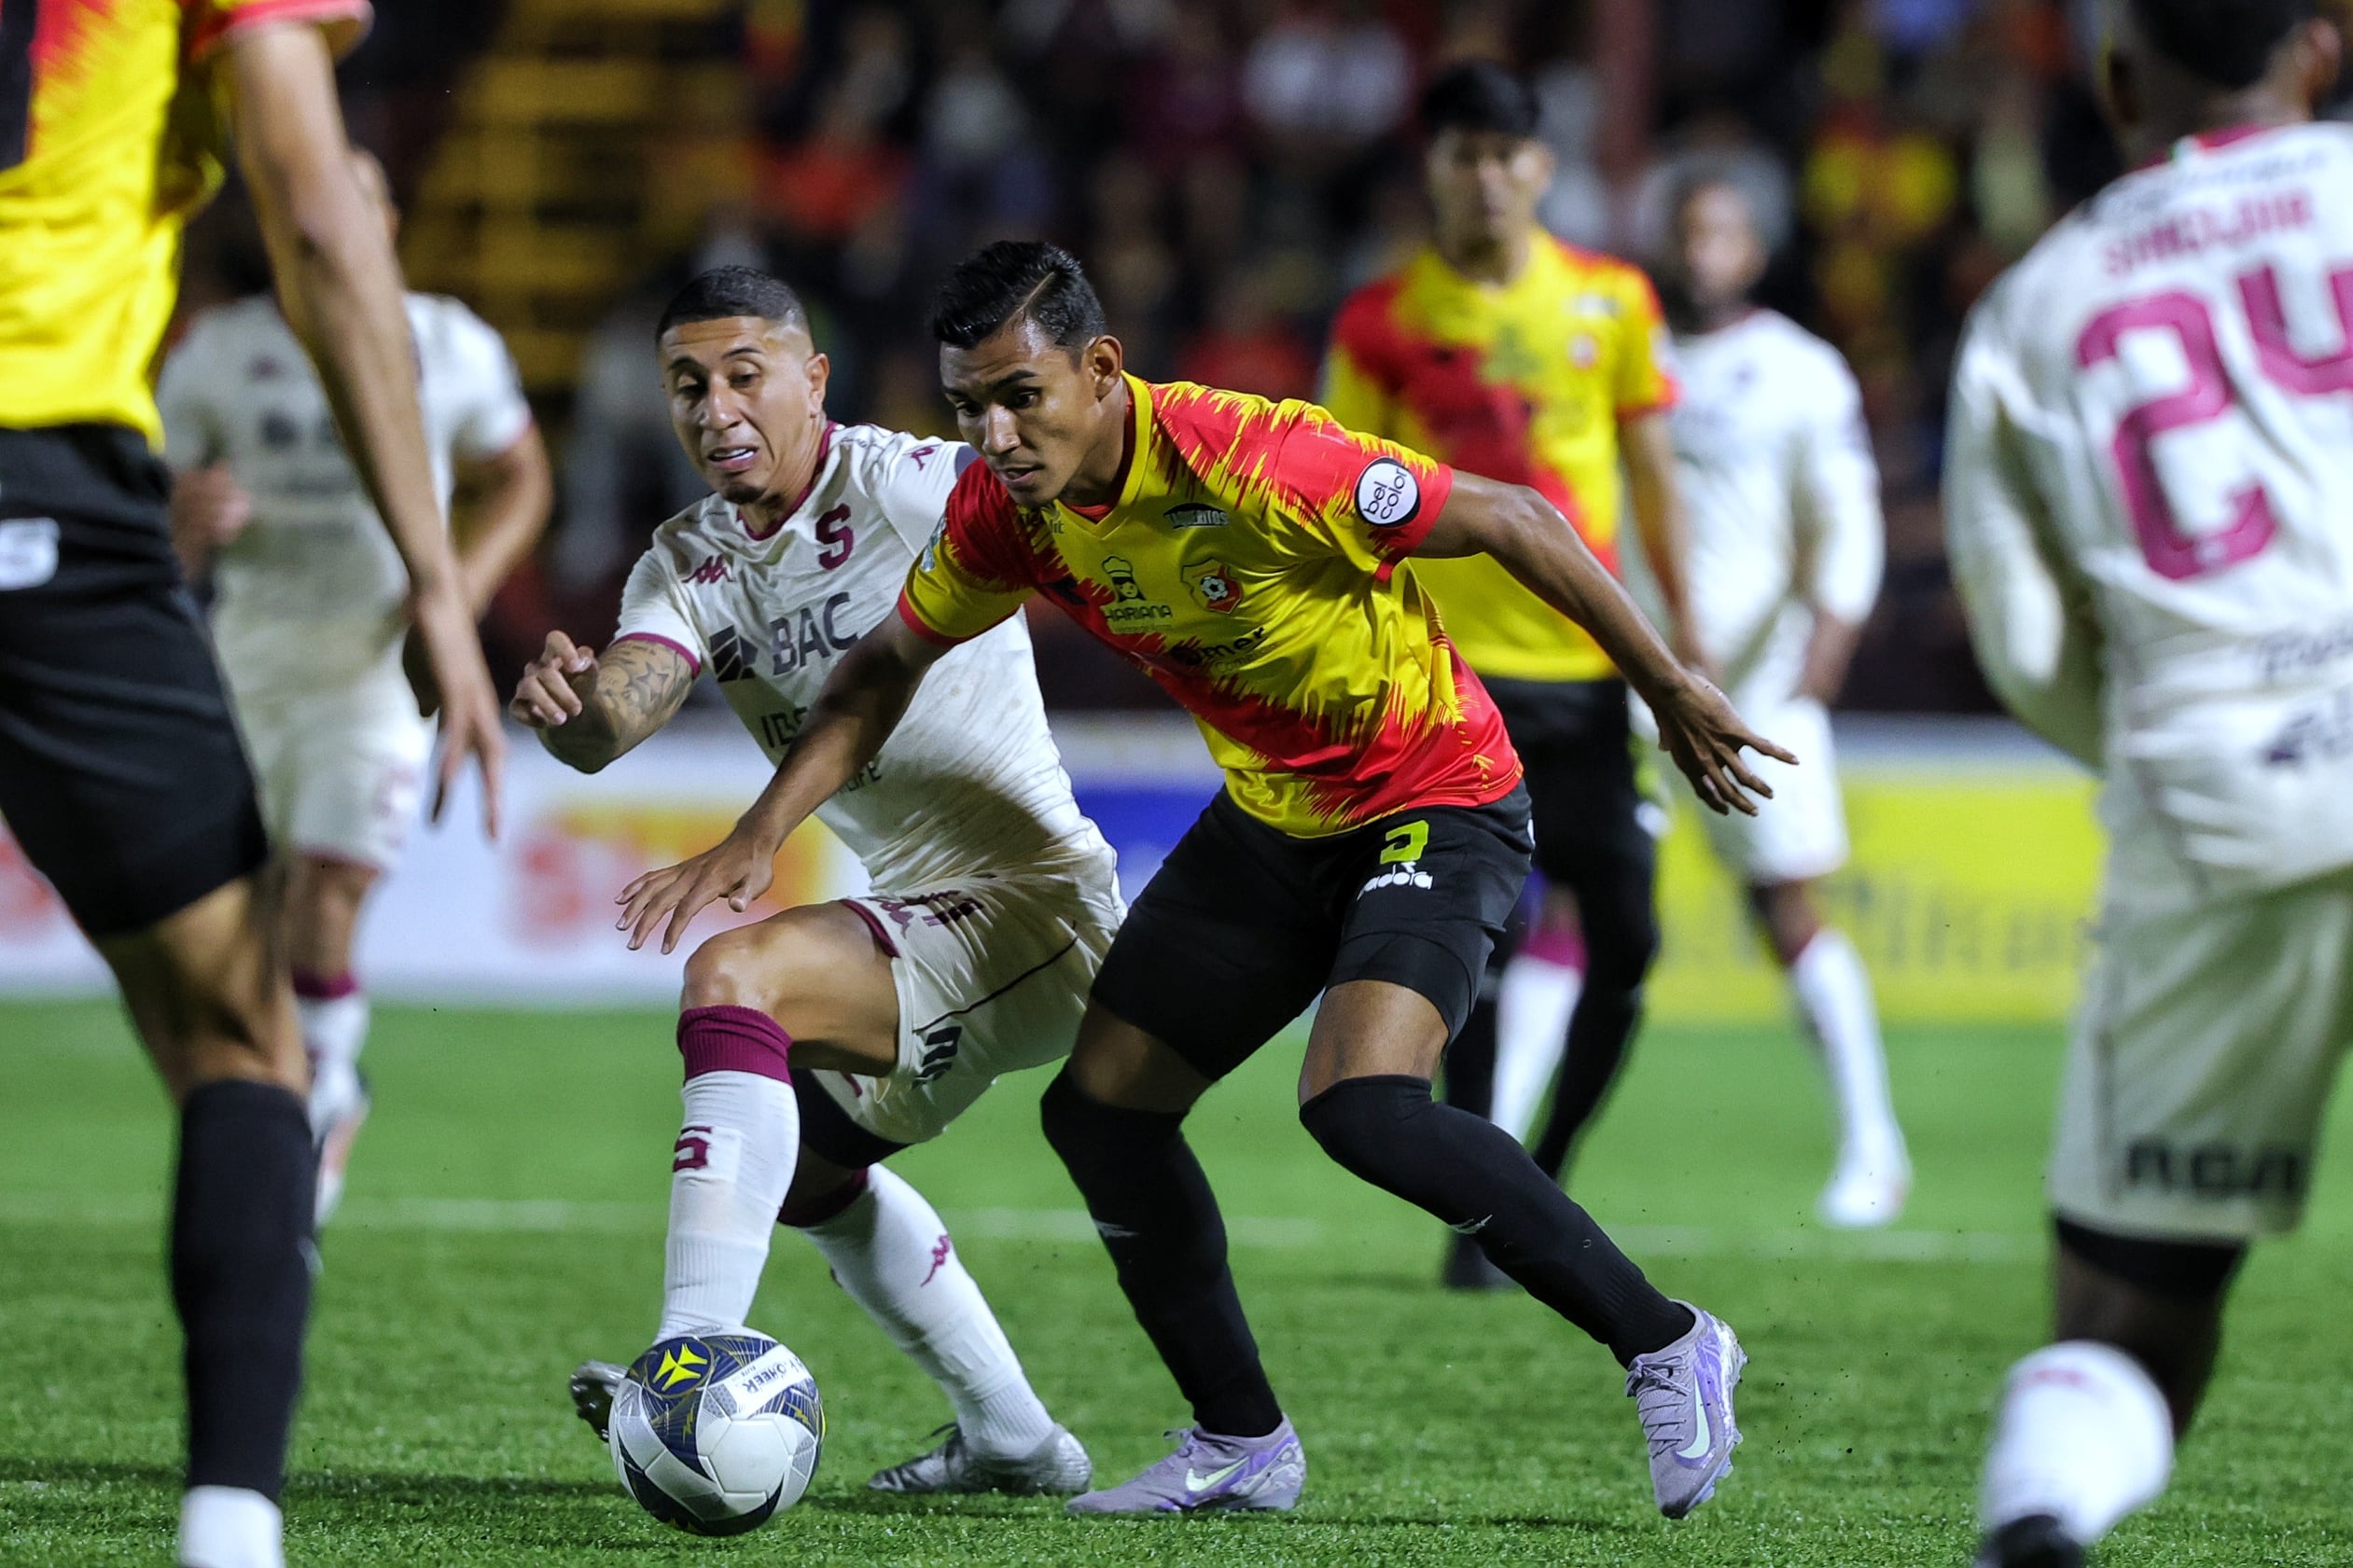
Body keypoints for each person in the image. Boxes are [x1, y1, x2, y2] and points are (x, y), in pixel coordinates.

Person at [618, 240, 1789, 1520]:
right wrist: (757, 830)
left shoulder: (1254, 458)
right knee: (1102, 1112)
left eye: (1020, 397)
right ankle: (1239, 1440)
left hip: (1430, 798)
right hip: (1272, 824)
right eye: (967, 407)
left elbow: (1512, 518)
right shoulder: (1006, 513)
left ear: (1101, 369)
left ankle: (1667, 1340)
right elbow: (880, 671)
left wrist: (1667, 686)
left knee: (1361, 1103)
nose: (994, 435)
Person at [0, 7, 503, 1566]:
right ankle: (228, 1537)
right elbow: (314, 217)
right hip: (38, 484)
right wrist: (439, 575)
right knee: (242, 1044)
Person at [522, 267, 1118, 1496]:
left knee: (735, 972)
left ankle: (682, 1366)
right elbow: (620, 707)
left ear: (812, 379)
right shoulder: (687, 558)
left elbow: (1078, 521)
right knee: (799, 1173)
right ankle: (1016, 1439)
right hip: (926, 921)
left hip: (1037, 898)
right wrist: (572, 715)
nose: (715, 407)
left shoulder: (908, 484)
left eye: (745, 374)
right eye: (688, 384)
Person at [1943, 5, 2350, 1563]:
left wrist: (2164, 735)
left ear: (2115, 80)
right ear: (2321, 47)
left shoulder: (2040, 302)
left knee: (2131, 1306)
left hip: (2220, 795)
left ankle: (2041, 1512)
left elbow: (2025, 638)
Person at [1318, 62, 1704, 1286]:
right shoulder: (1378, 320)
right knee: (1473, 950)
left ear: (1540, 166)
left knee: (1630, 941)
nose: (1484, 176)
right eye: (1460, 154)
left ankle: (1541, 1166)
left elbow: (1650, 483)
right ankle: (1485, 1205)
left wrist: (1675, 648)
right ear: (1430, 168)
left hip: (1588, 679)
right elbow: (1344, 498)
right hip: (1449, 683)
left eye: (1504, 153)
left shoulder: (1611, 300)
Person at [159, 151, 551, 1225]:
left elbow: (521, 474)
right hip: (247, 665)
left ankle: (320, 1099)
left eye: (360, 207)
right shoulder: (219, 355)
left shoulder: (446, 344)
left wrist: (452, 594)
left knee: (328, 894)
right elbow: (158, 516)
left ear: (385, 223)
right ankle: (308, 1081)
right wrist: (187, 520)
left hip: (376, 676)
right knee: (247, 916)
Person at [1655, 172, 1909, 1228]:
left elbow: (1843, 514)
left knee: (1786, 908)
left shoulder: (1800, 371)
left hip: (1753, 686)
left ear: (1751, 250)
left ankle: (1872, 1145)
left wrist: (1827, 641)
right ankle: (1500, 1154)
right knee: (1564, 905)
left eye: (1720, 232)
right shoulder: (1630, 361)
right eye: (1685, 232)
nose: (1701, 251)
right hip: (1624, 677)